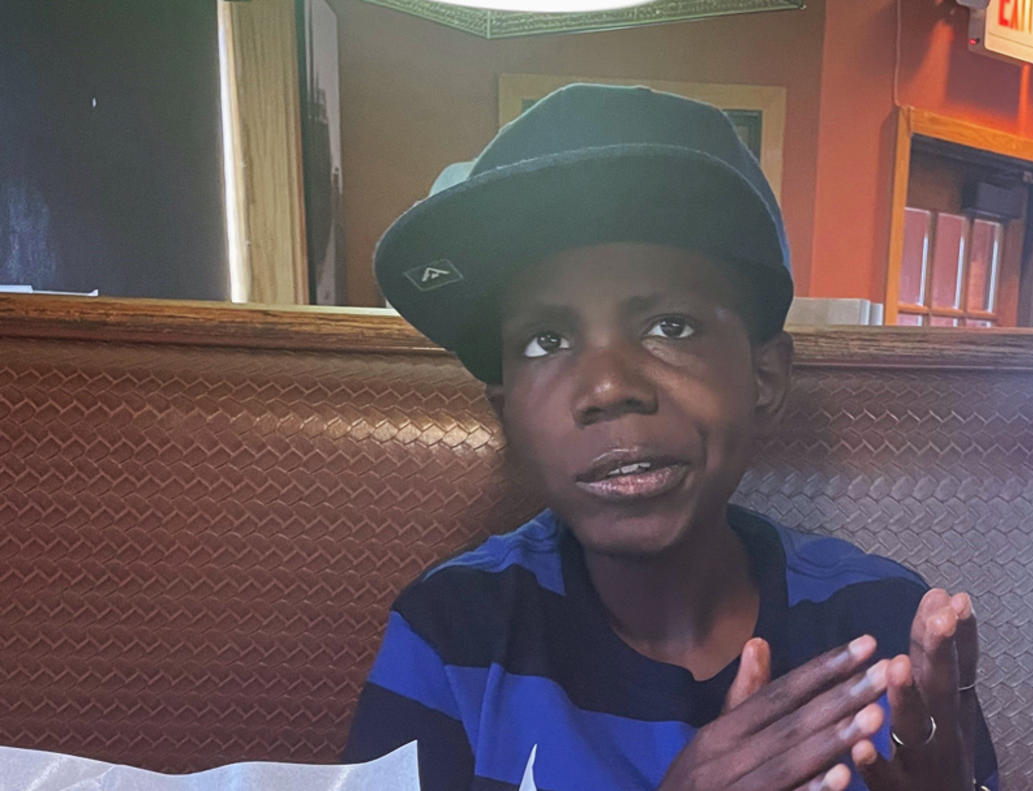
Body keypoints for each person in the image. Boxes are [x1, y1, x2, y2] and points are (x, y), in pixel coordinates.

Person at [344, 83, 998, 791]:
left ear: (764, 378)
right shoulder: (451, 636)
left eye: (671, 327)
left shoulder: (882, 628)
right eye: (545, 339)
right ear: (507, 414)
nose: (607, 387)